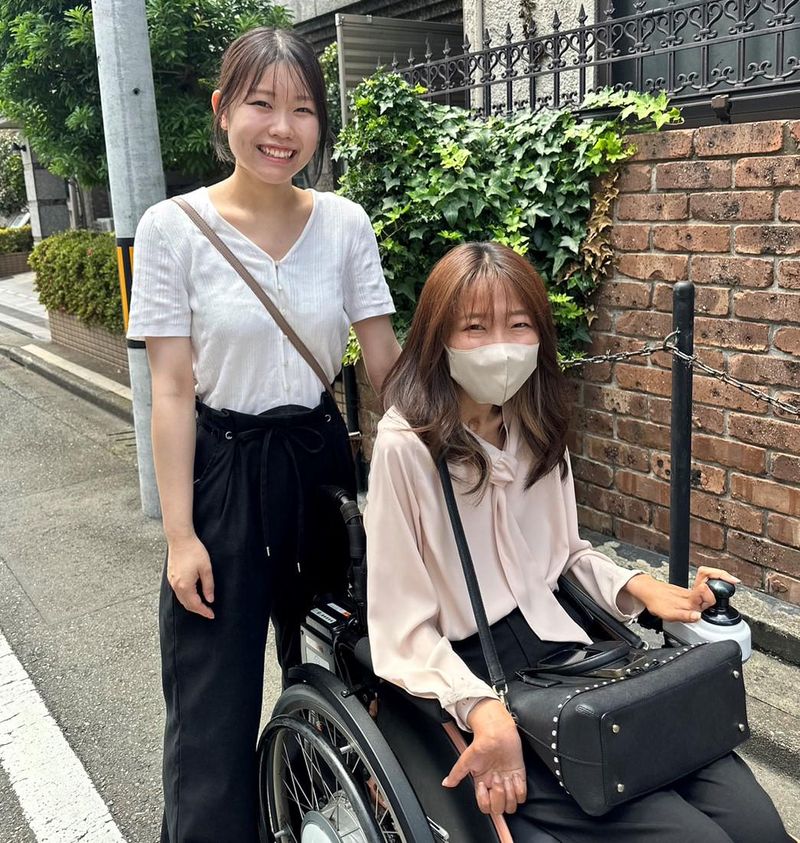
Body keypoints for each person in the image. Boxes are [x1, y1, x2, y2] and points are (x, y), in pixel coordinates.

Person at [364, 241, 790, 842]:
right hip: (476, 669)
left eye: (519, 326)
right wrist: (480, 709)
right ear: (439, 339)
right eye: (475, 328)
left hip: (575, 650)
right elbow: (399, 628)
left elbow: (565, 557)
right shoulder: (407, 446)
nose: (501, 347)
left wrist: (643, 589)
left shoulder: (536, 422)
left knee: (756, 825)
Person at [126, 27, 400, 843]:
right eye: (261, 104)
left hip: (318, 462)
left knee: (339, 670)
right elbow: (171, 389)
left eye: (303, 109)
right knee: (212, 700)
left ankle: (316, 824)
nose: (283, 127)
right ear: (223, 110)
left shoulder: (345, 223)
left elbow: (385, 362)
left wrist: (471, 437)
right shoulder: (171, 227)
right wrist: (181, 536)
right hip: (223, 472)